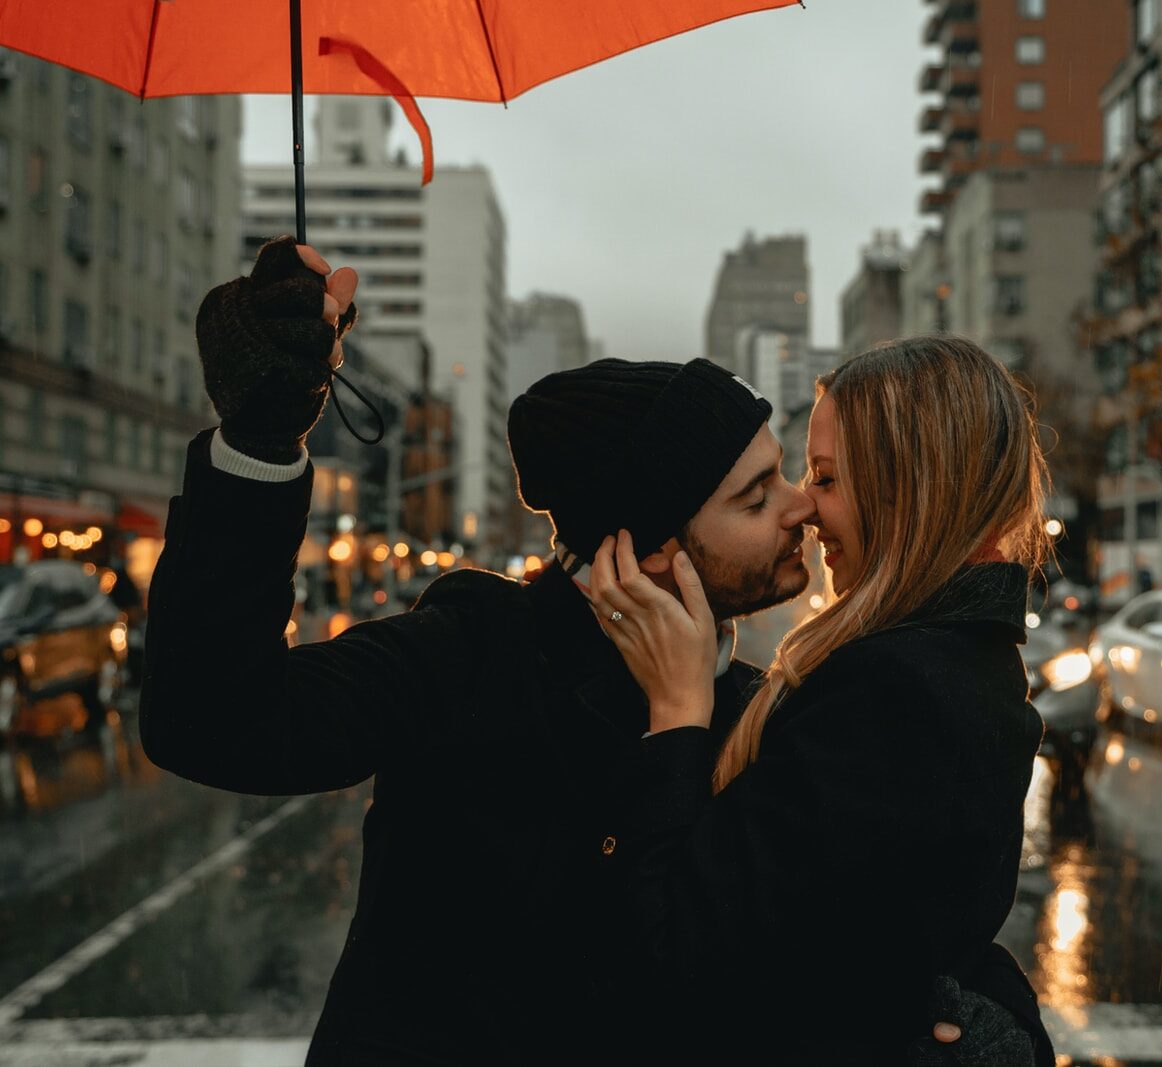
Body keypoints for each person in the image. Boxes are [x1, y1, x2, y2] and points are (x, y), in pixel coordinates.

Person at [140, 238, 1047, 1064]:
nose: (799, 508)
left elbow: (865, 906)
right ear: (652, 549)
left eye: (792, 475)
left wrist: (992, 1011)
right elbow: (215, 720)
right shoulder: (476, 652)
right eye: (756, 494)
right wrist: (259, 441)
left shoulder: (755, 704)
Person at [589, 337, 1056, 1065]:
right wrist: (1000, 1004)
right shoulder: (959, 658)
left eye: (827, 478)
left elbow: (673, 954)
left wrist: (677, 715)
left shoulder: (898, 692)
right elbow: (898, 931)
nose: (805, 506)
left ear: (910, 491)